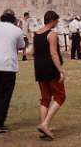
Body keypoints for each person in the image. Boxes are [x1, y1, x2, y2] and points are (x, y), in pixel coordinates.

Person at [0, 9, 26, 134]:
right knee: (5, 95)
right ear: (13, 19)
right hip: (8, 66)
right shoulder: (17, 30)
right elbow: (21, 46)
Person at [32, 11, 65, 140]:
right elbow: (53, 54)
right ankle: (45, 124)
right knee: (60, 96)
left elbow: (33, 52)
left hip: (39, 69)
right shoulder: (52, 34)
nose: (57, 23)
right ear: (52, 20)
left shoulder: (36, 34)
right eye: (56, 21)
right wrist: (61, 70)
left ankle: (43, 126)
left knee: (45, 98)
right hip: (50, 69)